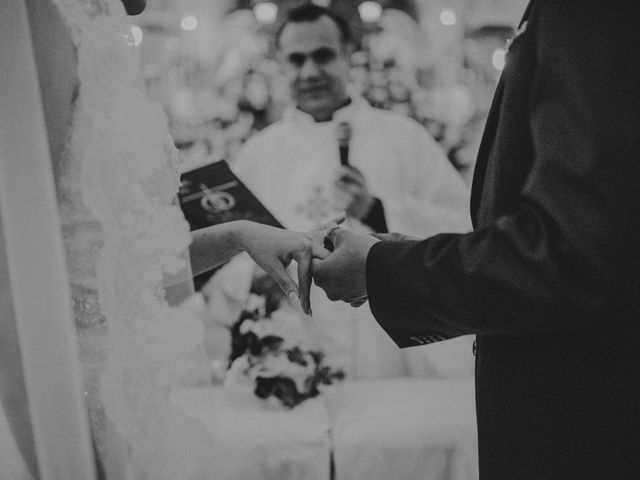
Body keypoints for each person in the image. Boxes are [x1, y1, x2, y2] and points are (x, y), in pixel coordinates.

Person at [313, 1, 640, 478]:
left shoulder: (589, 11)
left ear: (349, 55)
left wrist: (381, 266)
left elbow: (571, 250)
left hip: (583, 422)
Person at [0, 0, 326, 478]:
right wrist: (62, 458)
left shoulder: (103, 27)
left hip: (135, 405)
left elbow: (130, 273)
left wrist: (238, 234)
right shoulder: (33, 17)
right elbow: (10, 287)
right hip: (69, 408)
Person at [232, 3, 473, 379]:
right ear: (280, 63)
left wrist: (377, 210)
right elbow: (229, 252)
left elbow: (460, 231)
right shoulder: (257, 154)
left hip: (380, 351)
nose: (310, 72)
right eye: (296, 60)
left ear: (348, 55)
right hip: (288, 348)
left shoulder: (403, 138)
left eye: (323, 55)